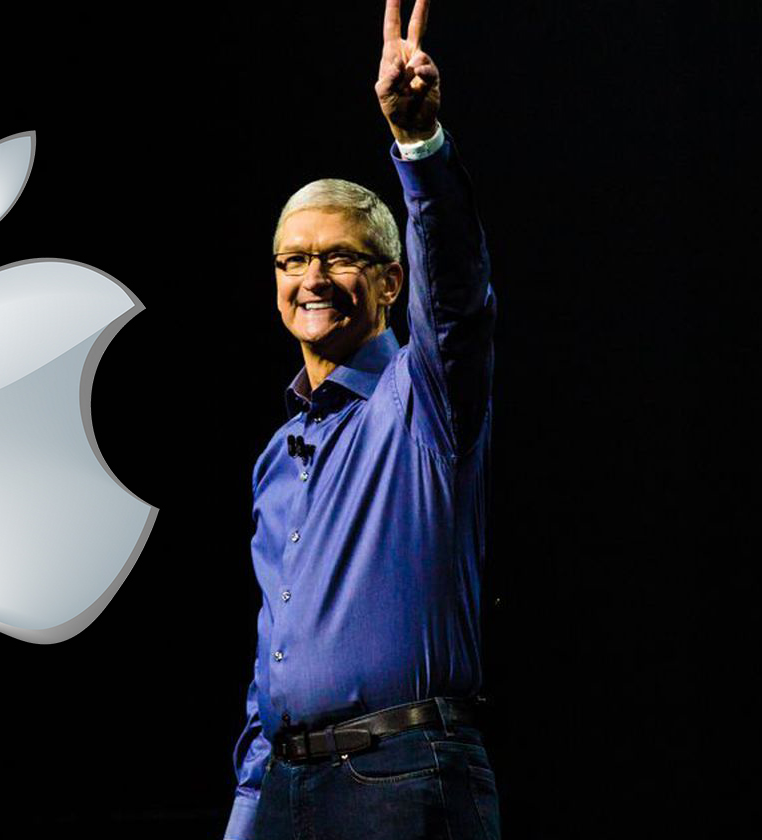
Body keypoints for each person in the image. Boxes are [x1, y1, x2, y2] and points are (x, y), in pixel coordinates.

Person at [224, 2, 501, 838]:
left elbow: (455, 294)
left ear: (389, 282)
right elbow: (273, 654)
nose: (311, 277)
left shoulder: (425, 398)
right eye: (293, 259)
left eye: (339, 256)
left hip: (400, 775)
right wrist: (248, 807)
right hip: (284, 785)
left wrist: (418, 143)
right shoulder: (277, 456)